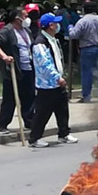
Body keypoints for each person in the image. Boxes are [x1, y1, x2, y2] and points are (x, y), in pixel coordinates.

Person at [29, 12, 76, 148]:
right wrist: (57, 77)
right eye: (56, 22)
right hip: (47, 85)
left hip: (57, 83)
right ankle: (34, 138)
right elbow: (45, 64)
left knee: (62, 109)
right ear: (51, 25)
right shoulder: (40, 43)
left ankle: (64, 134)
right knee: (43, 113)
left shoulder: (52, 39)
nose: (58, 25)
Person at [0, 8, 36, 135]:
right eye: (25, 16)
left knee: (29, 96)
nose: (27, 18)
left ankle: (29, 121)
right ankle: (3, 125)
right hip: (13, 70)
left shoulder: (26, 30)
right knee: (10, 98)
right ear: (18, 18)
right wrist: (4, 56)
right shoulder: (7, 30)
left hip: (28, 68)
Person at [69, 0, 98, 103]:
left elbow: (73, 35)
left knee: (87, 73)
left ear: (84, 9)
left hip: (87, 49)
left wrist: (70, 28)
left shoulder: (82, 21)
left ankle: (87, 96)